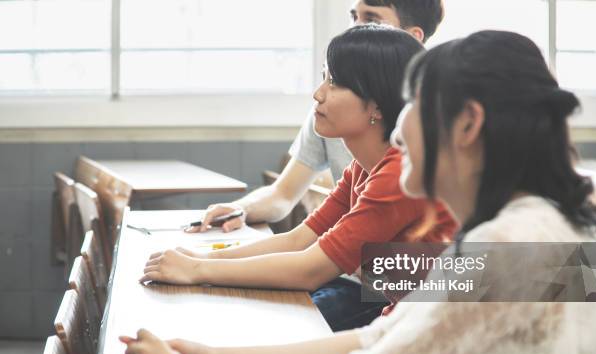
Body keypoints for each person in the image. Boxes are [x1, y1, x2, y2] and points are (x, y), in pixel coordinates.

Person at [115, 30, 596, 354]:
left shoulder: (511, 240)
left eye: (414, 103)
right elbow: (381, 338)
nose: (399, 130)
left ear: (468, 124)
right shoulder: (525, 225)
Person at [141, 25, 457, 331]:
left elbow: (310, 269)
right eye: (323, 78)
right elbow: (299, 239)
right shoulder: (364, 166)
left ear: (375, 105)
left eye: (334, 83)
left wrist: (198, 270)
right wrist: (200, 257)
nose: (317, 94)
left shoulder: (396, 174)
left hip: (435, 328)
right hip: (403, 318)